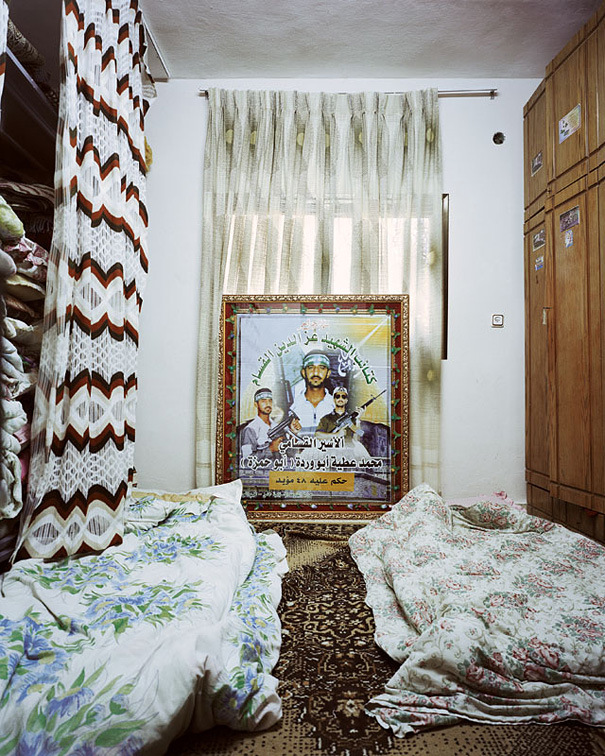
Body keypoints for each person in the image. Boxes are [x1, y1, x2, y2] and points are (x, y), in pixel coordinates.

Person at [290, 349, 335, 434]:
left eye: (322, 368)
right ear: (303, 372)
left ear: (328, 373)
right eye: (311, 367)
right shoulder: (292, 407)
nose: (316, 372)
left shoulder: (336, 406)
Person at [240, 387, 289, 460]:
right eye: (263, 401)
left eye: (270, 401)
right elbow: (247, 460)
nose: (268, 404)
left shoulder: (277, 426)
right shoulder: (250, 429)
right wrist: (271, 449)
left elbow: (289, 452)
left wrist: (294, 433)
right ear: (256, 404)